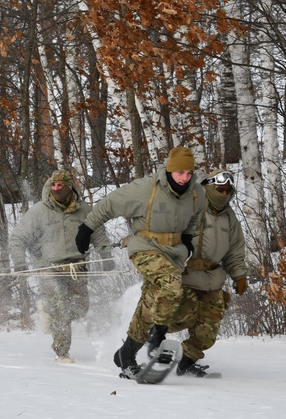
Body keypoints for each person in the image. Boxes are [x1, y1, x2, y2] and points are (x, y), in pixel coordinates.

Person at [75, 146, 205, 378]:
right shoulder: (146, 189)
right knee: (171, 284)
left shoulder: (196, 193)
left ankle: (126, 353)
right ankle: (158, 337)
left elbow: (195, 216)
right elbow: (110, 203)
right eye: (179, 173)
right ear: (169, 170)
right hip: (145, 247)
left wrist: (187, 238)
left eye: (188, 173)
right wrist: (87, 228)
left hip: (174, 252)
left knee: (150, 303)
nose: (184, 178)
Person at [152, 169, 248, 377]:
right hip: (185, 273)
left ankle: (186, 364)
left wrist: (239, 275)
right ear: (209, 187)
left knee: (207, 332)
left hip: (212, 278)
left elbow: (235, 251)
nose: (223, 194)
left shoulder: (230, 218)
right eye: (219, 189)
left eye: (227, 191)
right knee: (183, 314)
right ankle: (149, 334)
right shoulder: (189, 206)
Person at [9, 169, 112, 362]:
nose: (56, 189)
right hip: (50, 268)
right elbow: (18, 238)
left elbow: (98, 234)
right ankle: (62, 351)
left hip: (77, 266)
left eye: (60, 185)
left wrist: (106, 255)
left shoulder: (84, 210)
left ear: (69, 187)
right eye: (53, 185)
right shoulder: (39, 211)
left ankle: (50, 312)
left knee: (81, 306)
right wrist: (19, 262)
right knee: (61, 307)